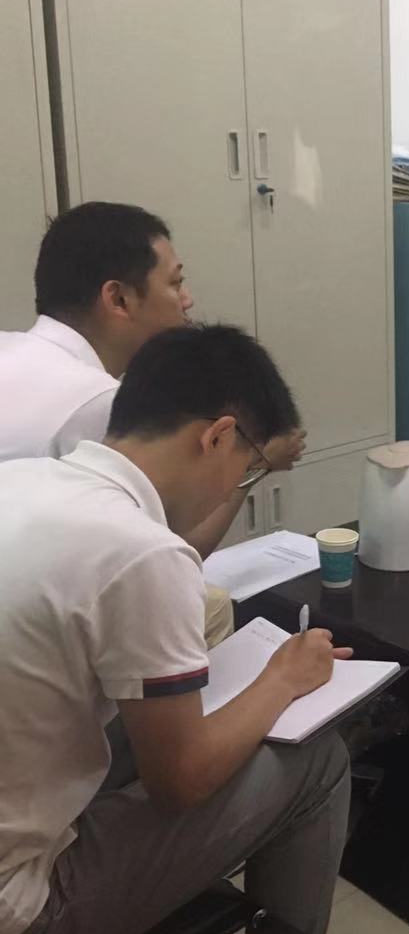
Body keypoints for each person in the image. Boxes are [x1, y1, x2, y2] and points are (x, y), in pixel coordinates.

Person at [0, 324, 352, 934]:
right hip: (18, 925)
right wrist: (282, 677)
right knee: (319, 762)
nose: (236, 485)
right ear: (217, 437)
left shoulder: (20, 479)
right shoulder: (141, 551)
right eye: (248, 468)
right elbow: (180, 782)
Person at [0, 202, 305, 646]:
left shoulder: (9, 349)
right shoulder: (96, 402)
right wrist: (254, 464)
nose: (188, 300)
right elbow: (162, 552)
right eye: (175, 283)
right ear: (118, 298)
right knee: (207, 608)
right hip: (32, 631)